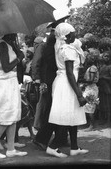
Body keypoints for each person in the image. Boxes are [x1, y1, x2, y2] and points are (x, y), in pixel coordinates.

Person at [47, 23, 88, 158]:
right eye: (73, 32)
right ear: (67, 35)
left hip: (63, 82)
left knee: (72, 115)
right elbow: (70, 73)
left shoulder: (61, 46)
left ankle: (74, 147)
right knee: (65, 116)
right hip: (67, 84)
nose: (75, 34)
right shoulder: (67, 49)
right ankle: (52, 147)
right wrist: (79, 95)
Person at [31, 10, 70, 151]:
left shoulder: (57, 40)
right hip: (51, 80)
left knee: (58, 109)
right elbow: (44, 62)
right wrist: (39, 80)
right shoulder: (50, 42)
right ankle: (42, 138)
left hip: (56, 79)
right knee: (52, 110)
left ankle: (61, 138)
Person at [81, 48, 99, 131]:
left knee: (90, 105)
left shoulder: (92, 68)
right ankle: (90, 123)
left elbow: (91, 80)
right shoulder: (92, 67)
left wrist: (83, 83)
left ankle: (92, 125)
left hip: (91, 88)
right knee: (88, 105)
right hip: (90, 88)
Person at [98, 50, 111, 126]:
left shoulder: (110, 67)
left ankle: (108, 121)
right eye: (105, 56)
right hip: (101, 87)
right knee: (102, 105)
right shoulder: (101, 66)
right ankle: (103, 119)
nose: (106, 58)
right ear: (102, 57)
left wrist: (103, 77)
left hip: (107, 88)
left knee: (108, 105)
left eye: (108, 56)